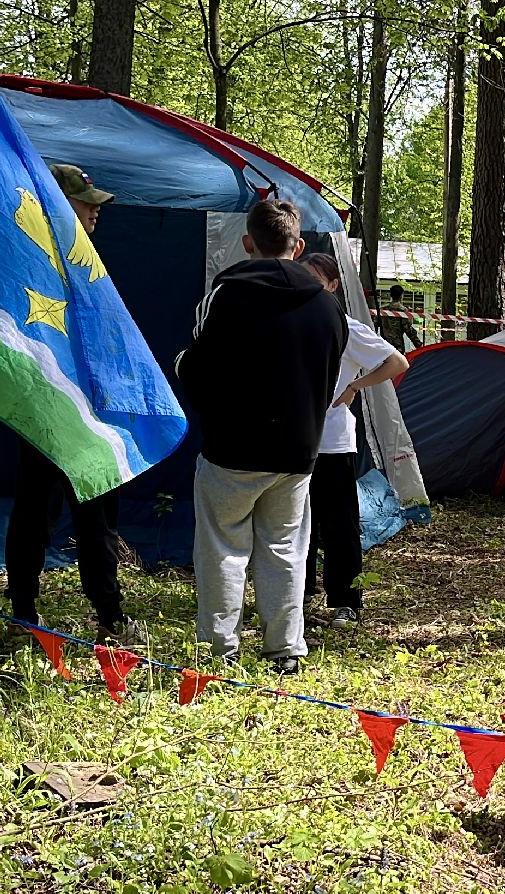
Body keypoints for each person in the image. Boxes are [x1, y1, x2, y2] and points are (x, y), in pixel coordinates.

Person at [177, 201, 346, 674]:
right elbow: (327, 375)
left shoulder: (225, 295)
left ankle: (219, 652)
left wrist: (182, 369)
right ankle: (285, 649)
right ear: (298, 246)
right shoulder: (328, 306)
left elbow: (198, 366)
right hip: (297, 451)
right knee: (285, 550)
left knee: (222, 551)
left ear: (248, 243)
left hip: (232, 449)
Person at [4, 163, 139, 644]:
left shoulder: (79, 259)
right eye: (87, 203)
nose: (95, 212)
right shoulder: (32, 257)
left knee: (90, 512)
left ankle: (107, 614)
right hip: (50, 404)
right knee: (43, 512)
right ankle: (25, 609)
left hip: (85, 407)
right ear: (60, 206)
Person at [298, 253, 410, 626]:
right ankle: (297, 595)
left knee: (339, 524)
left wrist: (354, 387)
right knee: (297, 522)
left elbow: (397, 362)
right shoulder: (291, 321)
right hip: (296, 438)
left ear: (332, 285)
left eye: (318, 280)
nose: (311, 285)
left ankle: (345, 600)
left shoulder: (345, 327)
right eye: (305, 277)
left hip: (333, 440)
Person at [376, 283, 425, 354]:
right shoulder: (402, 310)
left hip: (384, 345)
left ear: (391, 295)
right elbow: (408, 329)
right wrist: (419, 345)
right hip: (397, 346)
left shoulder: (382, 309)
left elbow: (375, 325)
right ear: (401, 295)